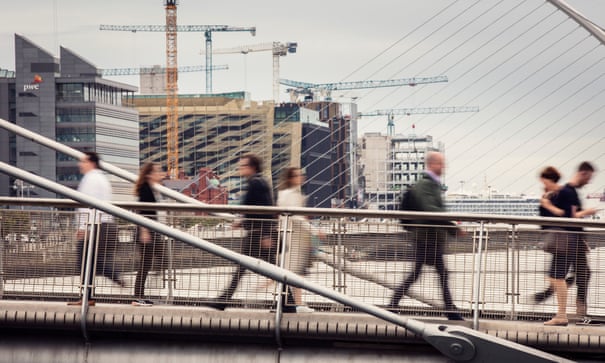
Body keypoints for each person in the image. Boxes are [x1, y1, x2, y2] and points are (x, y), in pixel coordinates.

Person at [388, 151, 464, 320]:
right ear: (432, 164)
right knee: (438, 274)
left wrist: (450, 228)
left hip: (430, 237)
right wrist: (453, 228)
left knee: (425, 274)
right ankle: (450, 311)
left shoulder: (432, 184)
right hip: (426, 238)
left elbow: (434, 211)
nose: (444, 167)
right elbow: (432, 210)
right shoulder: (425, 185)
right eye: (441, 163)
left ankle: (393, 304)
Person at [209, 153, 278, 310]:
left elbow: (267, 208)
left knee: (256, 269)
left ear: (252, 167)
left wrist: (266, 234)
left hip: (258, 233)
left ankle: (223, 301)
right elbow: (254, 208)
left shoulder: (257, 183)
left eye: (243, 166)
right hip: (256, 232)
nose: (240, 169)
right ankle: (223, 300)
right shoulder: (257, 181)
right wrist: (241, 221)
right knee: (269, 269)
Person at [538, 162, 597, 326]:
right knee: (560, 277)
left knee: (557, 277)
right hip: (569, 240)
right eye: (590, 177)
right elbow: (569, 215)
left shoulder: (565, 192)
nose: (590, 181)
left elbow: (568, 216)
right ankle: (572, 312)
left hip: (564, 240)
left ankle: (563, 315)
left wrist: (547, 205)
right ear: (584, 173)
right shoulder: (567, 191)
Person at [68, 152, 124, 306]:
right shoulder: (101, 178)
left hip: (95, 225)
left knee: (85, 262)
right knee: (91, 261)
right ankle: (90, 295)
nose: (80, 164)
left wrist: (84, 227)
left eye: (83, 161)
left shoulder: (91, 178)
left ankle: (92, 293)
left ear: (92, 162)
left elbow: (88, 205)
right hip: (105, 225)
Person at [277, 167, 315, 313]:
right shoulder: (292, 194)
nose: (302, 177)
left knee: (290, 271)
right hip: (294, 238)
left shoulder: (286, 193)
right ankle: (297, 304)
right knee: (295, 271)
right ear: (291, 178)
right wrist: (314, 231)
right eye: (298, 175)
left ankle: (290, 303)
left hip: (290, 236)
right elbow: (296, 216)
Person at [132, 162, 166, 306]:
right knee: (146, 264)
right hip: (146, 231)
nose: (160, 173)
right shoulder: (146, 189)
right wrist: (144, 231)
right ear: (149, 174)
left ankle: (142, 294)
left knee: (157, 260)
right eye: (157, 171)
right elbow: (142, 211)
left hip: (152, 230)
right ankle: (138, 297)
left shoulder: (153, 188)